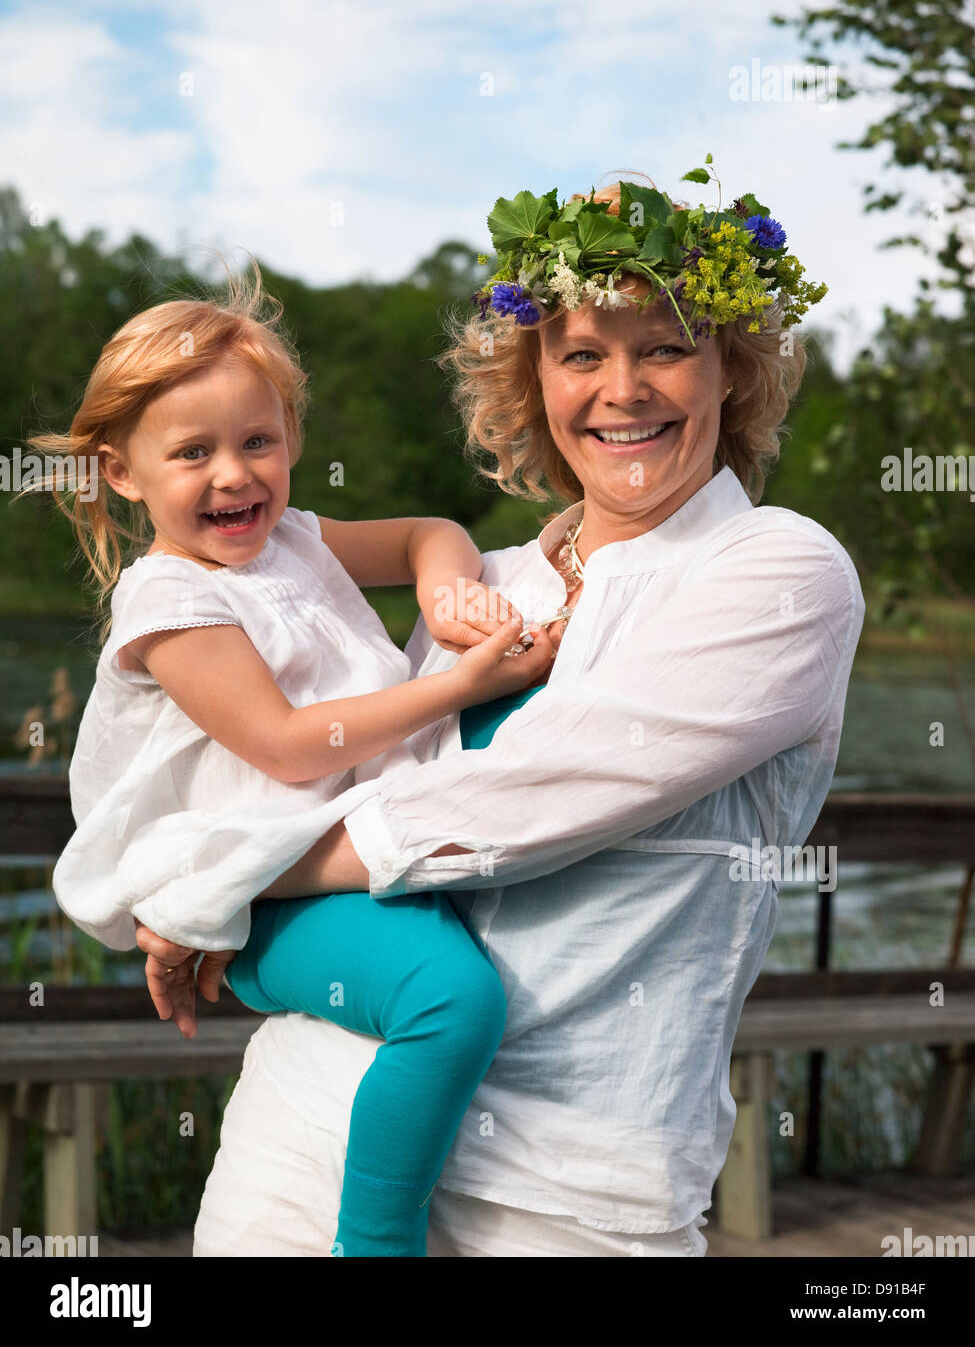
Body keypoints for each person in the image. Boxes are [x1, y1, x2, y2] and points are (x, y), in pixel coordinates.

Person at [138, 166, 864, 1258]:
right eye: (581, 353)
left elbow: (519, 803)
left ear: (733, 369)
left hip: (569, 1190)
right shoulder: (490, 581)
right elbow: (341, 773)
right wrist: (221, 879)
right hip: (309, 1128)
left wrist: (213, 880)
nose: (623, 389)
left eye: (664, 346)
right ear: (536, 378)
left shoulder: (777, 571)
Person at [34, 268, 561, 1257]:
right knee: (453, 1001)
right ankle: (378, 1243)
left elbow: (426, 533)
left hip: (335, 848)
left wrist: (446, 598)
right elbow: (281, 744)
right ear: (120, 471)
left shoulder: (297, 542)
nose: (234, 476)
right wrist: (461, 683)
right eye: (192, 452)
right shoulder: (169, 602)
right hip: (265, 894)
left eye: (257, 442)